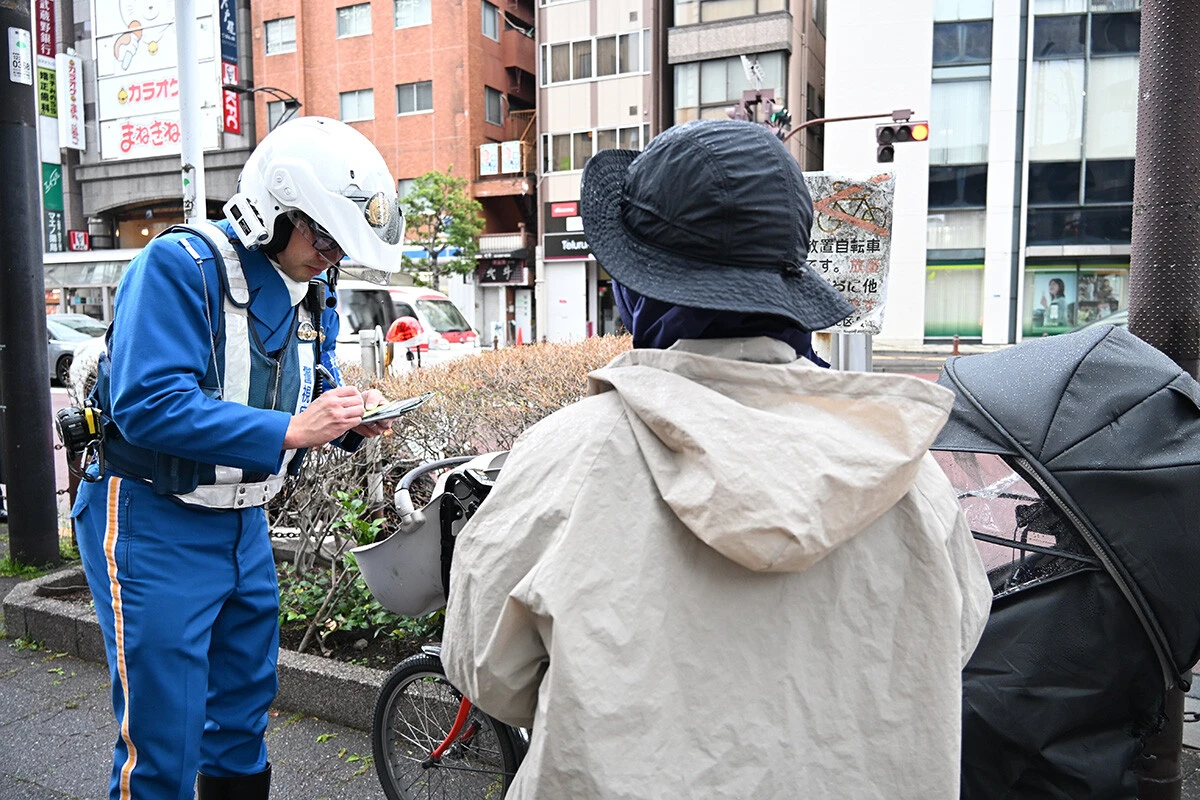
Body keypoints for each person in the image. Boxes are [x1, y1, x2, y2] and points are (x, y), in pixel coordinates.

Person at [442, 119, 992, 798]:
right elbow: (955, 639)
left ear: (638, 289)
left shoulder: (570, 457)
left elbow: (485, 670)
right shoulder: (904, 468)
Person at [72, 117, 404, 800]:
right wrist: (292, 430)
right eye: (323, 235)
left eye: (342, 244)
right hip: (150, 512)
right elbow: (149, 405)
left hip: (243, 519)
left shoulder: (311, 286)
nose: (331, 255)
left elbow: (309, 383)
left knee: (243, 711)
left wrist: (344, 421)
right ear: (276, 210)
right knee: (162, 733)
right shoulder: (180, 264)